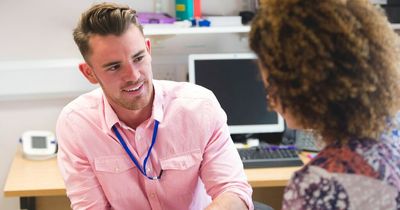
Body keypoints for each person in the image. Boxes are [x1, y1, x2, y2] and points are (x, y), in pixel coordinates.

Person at [56, 2, 253, 210]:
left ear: (148, 50)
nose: (133, 76)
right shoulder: (76, 124)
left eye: (138, 58)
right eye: (114, 67)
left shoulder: (200, 108)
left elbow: (233, 192)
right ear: (89, 73)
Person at [249, 0, 400, 209]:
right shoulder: (390, 138)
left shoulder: (318, 184)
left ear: (302, 86)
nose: (272, 103)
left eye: (272, 88)